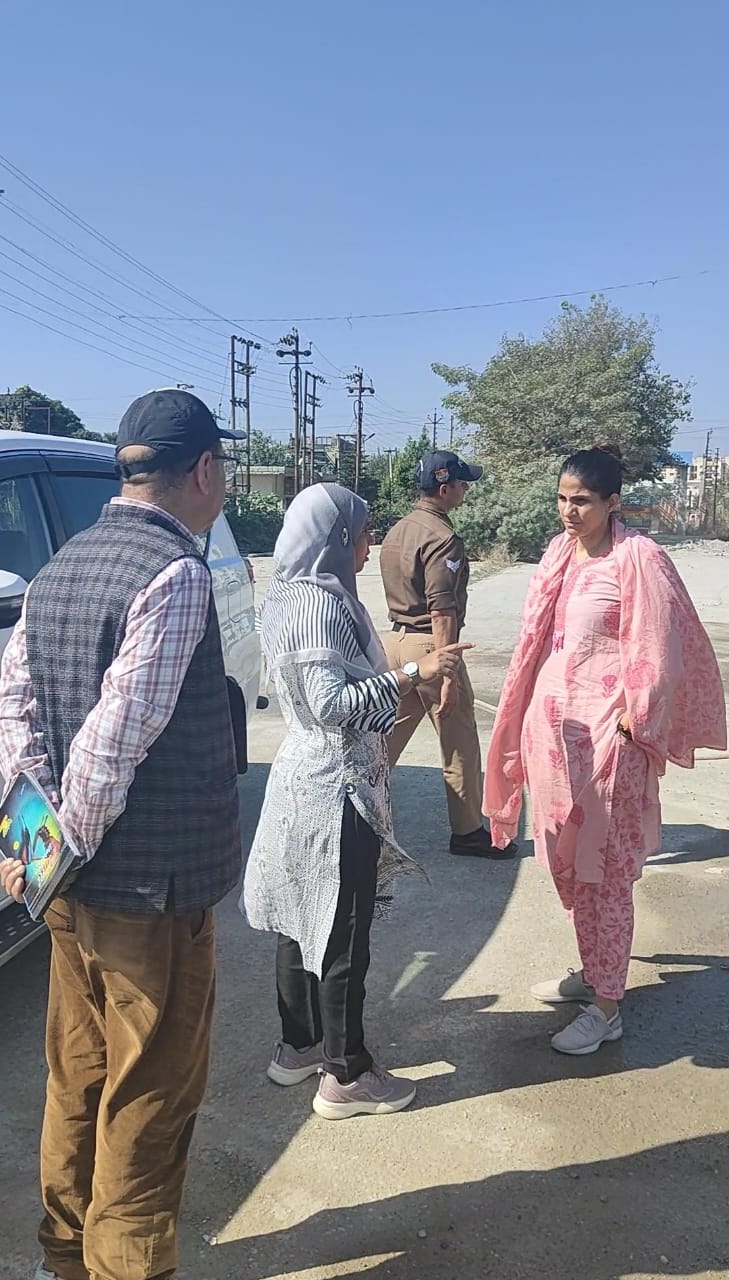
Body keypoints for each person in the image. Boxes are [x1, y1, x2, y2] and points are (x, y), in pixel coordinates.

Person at [0, 389, 243, 1280]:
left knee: (79, 1071)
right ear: (204, 470)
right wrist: (72, 840)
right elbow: (117, 733)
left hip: (70, 890)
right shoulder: (175, 572)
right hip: (149, 892)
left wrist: (37, 853)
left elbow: (15, 713)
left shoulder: (60, 564)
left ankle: (64, 1255)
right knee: (151, 1093)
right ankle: (126, 1268)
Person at [485, 445, 726, 1055]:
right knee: (567, 862)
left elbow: (663, 650)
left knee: (606, 871)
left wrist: (632, 720)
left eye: (583, 501)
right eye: (562, 499)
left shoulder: (638, 558)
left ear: (613, 502)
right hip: (554, 738)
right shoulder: (560, 552)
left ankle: (608, 1007)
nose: (569, 511)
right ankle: (595, 970)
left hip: (609, 742)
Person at [242, 483, 470, 1119]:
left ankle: (299, 1046)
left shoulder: (285, 594)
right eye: (364, 532)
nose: (370, 544)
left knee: (298, 916)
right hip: (334, 786)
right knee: (342, 931)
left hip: (300, 777)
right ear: (339, 537)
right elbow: (331, 705)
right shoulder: (320, 605)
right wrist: (413, 675)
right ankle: (346, 1074)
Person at [380, 449, 515, 859]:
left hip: (395, 643)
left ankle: (351, 808)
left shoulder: (398, 530)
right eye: (462, 483)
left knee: (385, 739)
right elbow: (442, 610)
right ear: (444, 489)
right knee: (459, 742)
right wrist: (449, 676)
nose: (466, 490)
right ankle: (469, 832)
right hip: (431, 646)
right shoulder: (441, 538)